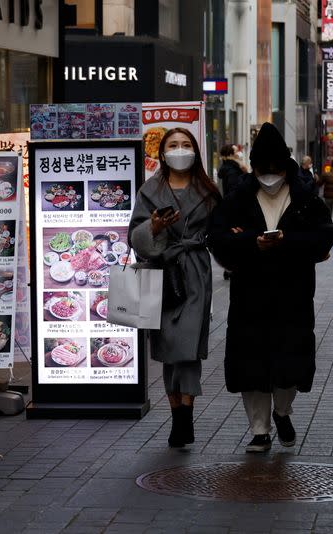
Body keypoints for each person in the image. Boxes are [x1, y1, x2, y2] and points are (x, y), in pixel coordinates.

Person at [206, 123, 333, 453]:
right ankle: (259, 429)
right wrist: (251, 242)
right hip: (250, 296)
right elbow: (217, 236)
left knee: (290, 363)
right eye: (264, 168)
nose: (270, 175)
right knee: (251, 365)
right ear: (255, 166)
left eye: (276, 168)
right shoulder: (239, 196)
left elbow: (325, 235)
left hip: (293, 295)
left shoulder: (305, 196)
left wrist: (286, 241)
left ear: (286, 165)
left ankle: (282, 411)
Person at [128, 128, 222, 448]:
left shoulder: (208, 191)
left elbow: (221, 233)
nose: (180, 150)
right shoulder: (149, 190)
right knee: (169, 351)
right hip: (162, 275)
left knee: (188, 349)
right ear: (162, 153)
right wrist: (153, 227)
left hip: (195, 275)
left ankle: (186, 416)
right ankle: (177, 415)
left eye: (185, 145)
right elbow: (135, 236)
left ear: (195, 150)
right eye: (173, 145)